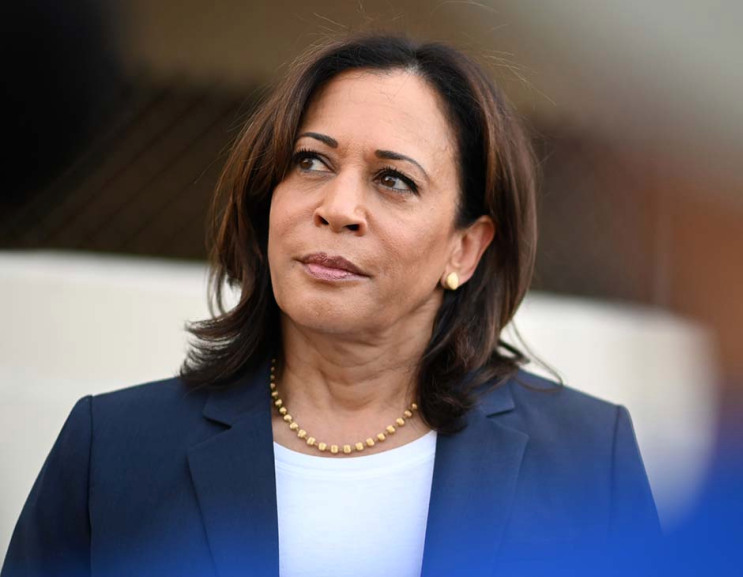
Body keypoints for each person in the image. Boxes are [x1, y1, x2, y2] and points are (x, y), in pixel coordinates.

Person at [1, 35, 660, 577]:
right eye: (311, 162)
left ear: (465, 248)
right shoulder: (113, 450)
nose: (338, 208)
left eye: (394, 180)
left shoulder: (584, 462)